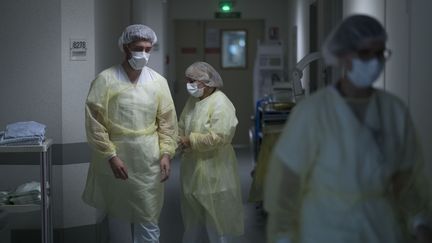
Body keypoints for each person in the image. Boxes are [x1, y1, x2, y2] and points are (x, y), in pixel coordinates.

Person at [264, 14, 432, 243]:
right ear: (343, 56)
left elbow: (406, 179)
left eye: (380, 53)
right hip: (326, 228)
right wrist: (283, 236)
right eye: (364, 54)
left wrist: (420, 221)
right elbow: (287, 186)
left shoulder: (394, 111)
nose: (374, 61)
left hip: (380, 228)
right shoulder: (313, 112)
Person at [82, 24, 178, 243]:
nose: (143, 53)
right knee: (118, 217)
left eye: (148, 48)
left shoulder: (158, 82)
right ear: (125, 48)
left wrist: (166, 154)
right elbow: (95, 122)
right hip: (118, 159)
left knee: (149, 215)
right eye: (138, 48)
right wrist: (111, 156)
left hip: (149, 160)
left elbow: (167, 122)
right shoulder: (105, 80)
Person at [178, 62, 244, 242]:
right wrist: (179, 140)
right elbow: (182, 125)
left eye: (192, 81)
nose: (188, 84)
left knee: (215, 221)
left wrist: (189, 140)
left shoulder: (221, 103)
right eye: (188, 80)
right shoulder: (193, 101)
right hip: (192, 169)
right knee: (193, 220)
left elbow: (219, 137)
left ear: (206, 83)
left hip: (215, 171)